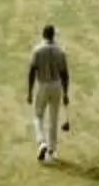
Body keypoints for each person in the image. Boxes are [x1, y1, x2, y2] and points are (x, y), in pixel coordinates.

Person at [25, 23, 71, 163]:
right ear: (53, 35)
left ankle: (41, 142)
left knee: (38, 116)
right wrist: (65, 93)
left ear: (43, 34)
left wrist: (29, 91)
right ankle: (52, 149)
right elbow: (65, 74)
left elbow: (32, 71)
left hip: (42, 85)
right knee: (53, 118)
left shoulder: (37, 50)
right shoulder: (60, 51)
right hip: (56, 85)